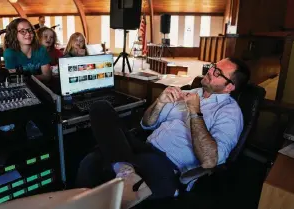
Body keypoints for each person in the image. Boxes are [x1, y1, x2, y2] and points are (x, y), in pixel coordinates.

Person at [76, 57, 251, 206]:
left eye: (218, 73)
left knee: (92, 162)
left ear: (230, 87)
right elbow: (146, 124)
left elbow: (210, 160)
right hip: (143, 147)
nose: (210, 71)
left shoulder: (230, 113)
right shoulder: (189, 92)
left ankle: (123, 167)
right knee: (100, 107)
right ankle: (126, 169)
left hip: (167, 166)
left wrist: (194, 113)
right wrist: (159, 102)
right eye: (213, 66)